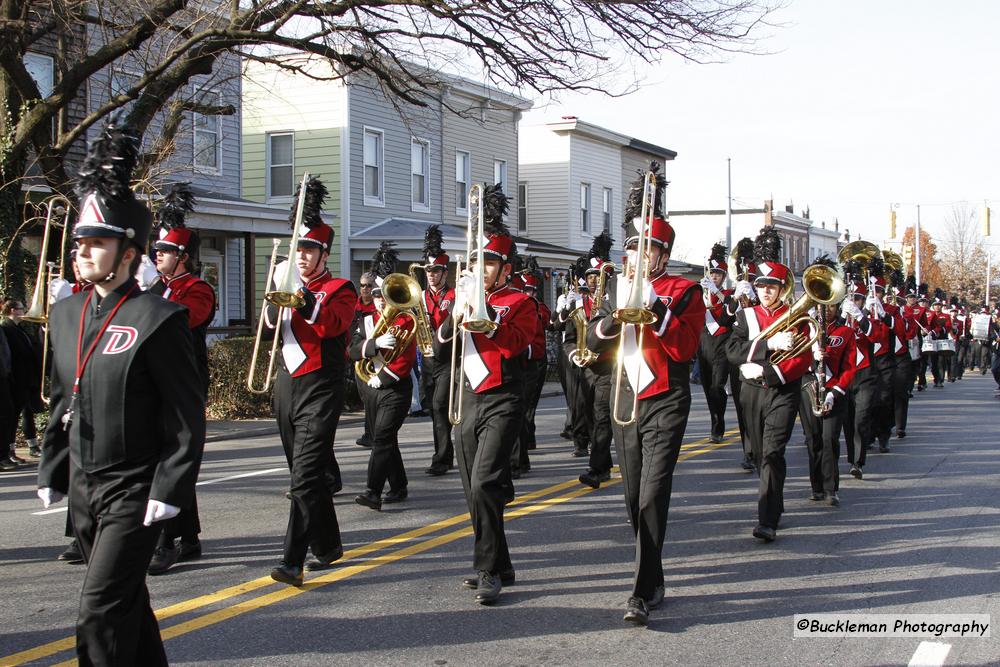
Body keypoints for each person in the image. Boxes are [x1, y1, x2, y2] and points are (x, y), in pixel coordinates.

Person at [36, 120, 206, 666]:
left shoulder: (159, 317)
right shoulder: (65, 314)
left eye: (98, 241)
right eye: (80, 240)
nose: (82, 251)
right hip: (86, 481)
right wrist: (52, 467)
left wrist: (171, 485)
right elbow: (65, 397)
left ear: (129, 251)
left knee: (98, 611)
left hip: (134, 487)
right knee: (126, 603)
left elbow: (185, 414)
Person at [587, 165, 705, 625]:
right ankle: (653, 575)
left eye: (648, 249)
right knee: (633, 494)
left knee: (652, 493)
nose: (638, 256)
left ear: (663, 255)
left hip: (665, 397)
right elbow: (595, 341)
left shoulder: (683, 291)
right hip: (625, 396)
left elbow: (684, 347)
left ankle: (639, 591)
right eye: (633, 247)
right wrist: (612, 318)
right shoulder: (614, 289)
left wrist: (655, 305)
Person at [437, 184, 535, 605]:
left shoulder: (519, 301)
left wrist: (484, 316)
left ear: (505, 268)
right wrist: (456, 309)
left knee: (485, 483)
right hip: (468, 396)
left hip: (503, 396)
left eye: (490, 262)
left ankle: (488, 568)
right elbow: (440, 343)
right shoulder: (463, 295)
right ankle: (503, 562)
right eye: (478, 261)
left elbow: (517, 344)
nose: (482, 268)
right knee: (473, 490)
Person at [265, 176, 356, 586]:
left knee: (303, 477)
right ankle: (328, 544)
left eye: (310, 249)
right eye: (298, 248)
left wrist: (301, 298)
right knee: (307, 474)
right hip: (287, 386)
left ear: (324, 254)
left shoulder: (340, 289)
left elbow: (333, 325)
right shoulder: (288, 283)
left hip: (320, 388)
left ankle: (291, 560)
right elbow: (269, 325)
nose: (301, 256)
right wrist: (278, 291)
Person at [144, 182, 216, 575]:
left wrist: (152, 294)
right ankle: (188, 537)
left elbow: (180, 321)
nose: (158, 256)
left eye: (166, 251)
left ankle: (163, 542)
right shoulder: (159, 286)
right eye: (156, 250)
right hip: (155, 380)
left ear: (183, 257)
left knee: (168, 458)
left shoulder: (198, 289)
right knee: (167, 456)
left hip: (183, 382)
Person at [726, 226, 812, 544]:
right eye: (761, 285)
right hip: (751, 392)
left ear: (781, 287)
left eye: (771, 286)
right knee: (762, 454)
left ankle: (767, 519)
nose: (766, 291)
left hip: (782, 390)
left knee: (773, 453)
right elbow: (731, 351)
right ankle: (775, 502)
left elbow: (803, 358)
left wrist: (773, 373)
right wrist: (766, 346)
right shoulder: (745, 316)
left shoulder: (796, 315)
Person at [350, 242, 413, 510]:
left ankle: (372, 491)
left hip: (395, 387)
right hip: (369, 385)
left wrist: (385, 376)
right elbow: (351, 351)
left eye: (382, 295)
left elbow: (407, 359)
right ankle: (399, 485)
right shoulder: (363, 321)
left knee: (382, 438)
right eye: (375, 295)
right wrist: (373, 345)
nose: (378, 300)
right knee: (385, 438)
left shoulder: (405, 321)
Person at [797, 268, 857, 507]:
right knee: (813, 439)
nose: (827, 309)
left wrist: (836, 391)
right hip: (809, 387)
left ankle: (832, 488)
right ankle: (817, 486)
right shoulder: (805, 329)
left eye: (832, 305)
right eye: (823, 305)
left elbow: (850, 367)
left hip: (834, 391)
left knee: (830, 438)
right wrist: (812, 354)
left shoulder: (846, 332)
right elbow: (793, 358)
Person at [574, 233, 618, 489]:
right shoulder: (578, 302)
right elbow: (569, 337)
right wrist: (573, 354)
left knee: (602, 417)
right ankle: (603, 463)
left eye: (598, 276)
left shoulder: (613, 300)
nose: (594, 280)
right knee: (588, 417)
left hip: (608, 365)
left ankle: (596, 468)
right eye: (590, 276)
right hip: (584, 366)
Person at [419, 225, 457, 476]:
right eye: (428, 271)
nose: (431, 275)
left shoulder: (454, 295)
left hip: (448, 358)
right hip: (427, 359)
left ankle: (442, 458)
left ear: (445, 273)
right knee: (433, 408)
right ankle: (443, 452)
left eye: (436, 271)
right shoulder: (419, 296)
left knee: (440, 406)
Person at [697, 243, 741, 445]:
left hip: (723, 344)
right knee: (708, 388)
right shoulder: (699, 292)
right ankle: (714, 419)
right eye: (712, 273)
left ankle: (719, 423)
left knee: (717, 386)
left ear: (723, 277)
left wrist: (718, 292)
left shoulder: (729, 293)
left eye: (718, 274)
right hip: (705, 343)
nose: (713, 277)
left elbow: (732, 310)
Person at [839, 276, 881, 480]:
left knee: (861, 418)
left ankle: (857, 461)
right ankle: (851, 456)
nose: (854, 302)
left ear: (863, 301)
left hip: (865, 374)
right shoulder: (839, 317)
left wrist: (859, 317)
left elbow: (875, 336)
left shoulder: (869, 317)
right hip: (844, 375)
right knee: (847, 420)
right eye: (851, 298)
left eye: (858, 298)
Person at [514, 261, 550, 478]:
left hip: (530, 363)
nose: (526, 293)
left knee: (525, 410)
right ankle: (521, 456)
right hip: (515, 363)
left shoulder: (536, 307)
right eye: (523, 289)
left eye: (529, 290)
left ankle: (519, 459)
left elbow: (541, 330)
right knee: (519, 413)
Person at [2, 299, 42, 463]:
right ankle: (9, 450)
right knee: (13, 416)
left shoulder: (19, 329)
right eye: (21, 308)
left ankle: (25, 447)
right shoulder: (6, 329)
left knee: (25, 413)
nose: (24, 310)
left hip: (25, 378)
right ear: (12, 310)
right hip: (17, 379)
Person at [352, 267, 378, 448]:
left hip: (376, 357)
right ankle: (370, 432)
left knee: (372, 398)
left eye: (369, 286)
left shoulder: (378, 305)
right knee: (365, 397)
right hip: (358, 356)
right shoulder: (354, 305)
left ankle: (373, 433)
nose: (365, 289)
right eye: (362, 286)